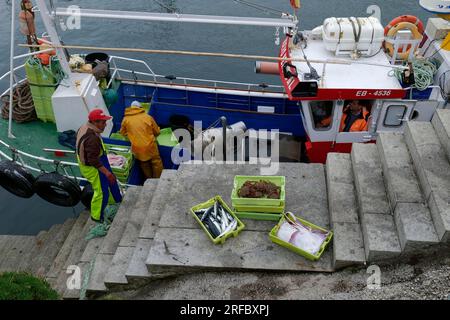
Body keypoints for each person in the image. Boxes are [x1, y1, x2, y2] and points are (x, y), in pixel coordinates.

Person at [76, 109, 122, 223]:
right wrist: (107, 173)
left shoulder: (85, 127)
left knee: (112, 182)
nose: (106, 124)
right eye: (103, 122)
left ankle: (116, 201)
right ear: (95, 122)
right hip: (93, 167)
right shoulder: (92, 139)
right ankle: (97, 217)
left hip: (99, 159)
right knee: (101, 192)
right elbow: (93, 160)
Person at [120, 101, 163, 179]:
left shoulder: (125, 119)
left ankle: (149, 180)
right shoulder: (147, 117)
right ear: (140, 107)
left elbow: (122, 133)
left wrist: (132, 135)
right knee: (156, 162)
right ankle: (158, 179)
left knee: (144, 163)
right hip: (150, 145)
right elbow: (157, 132)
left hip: (137, 147)